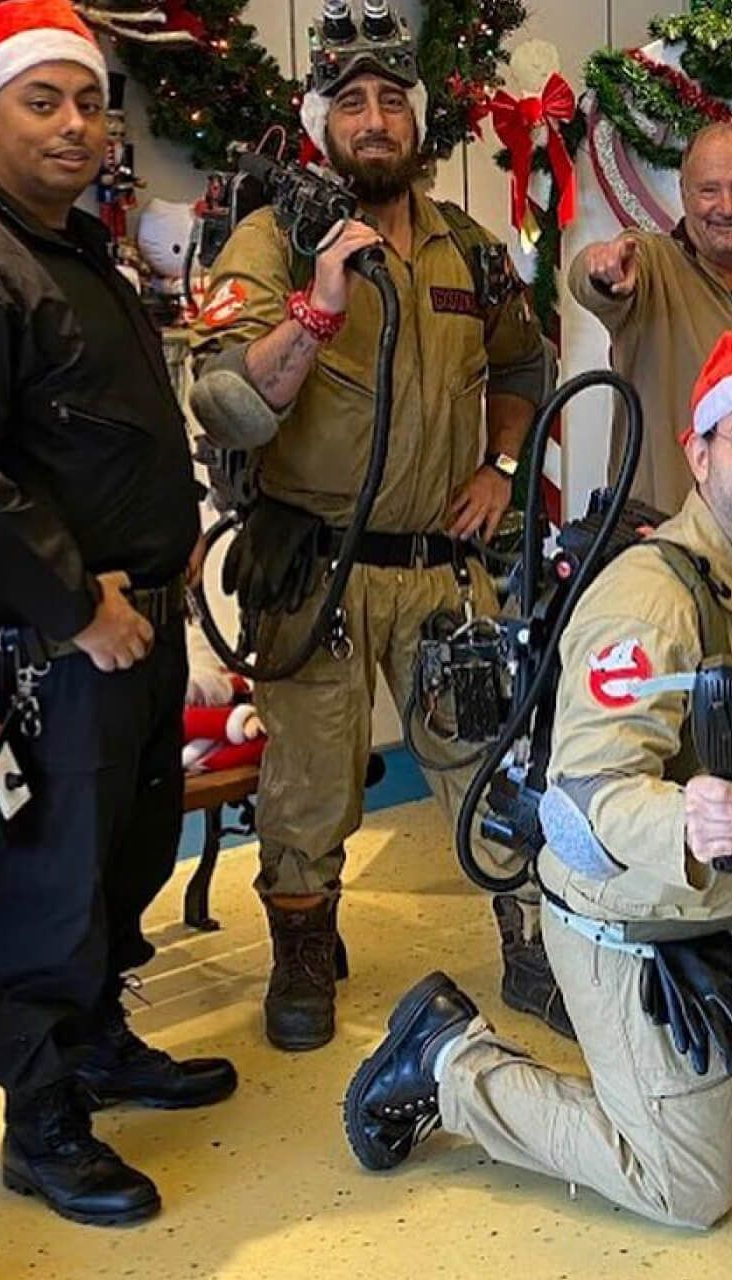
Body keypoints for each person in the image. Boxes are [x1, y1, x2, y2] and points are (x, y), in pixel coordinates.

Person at [339, 333, 732, 1227]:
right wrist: (683, 821)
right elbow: (583, 798)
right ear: (699, 452)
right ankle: (450, 1064)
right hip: (640, 914)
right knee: (689, 1191)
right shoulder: (650, 600)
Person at [0, 0, 237, 1229]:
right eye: (44, 101)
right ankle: (41, 1121)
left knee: (118, 859)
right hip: (52, 642)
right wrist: (77, 606)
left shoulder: (74, 247)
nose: (77, 123)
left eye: (89, 100)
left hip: (133, 625)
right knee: (42, 881)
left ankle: (96, 1045)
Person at [189, 1, 551, 1051]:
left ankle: (528, 942)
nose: (375, 117)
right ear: (320, 125)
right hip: (318, 569)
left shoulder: (468, 249)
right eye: (351, 101)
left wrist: (500, 462)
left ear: (418, 121)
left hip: (444, 570)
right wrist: (316, 303)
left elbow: (523, 362)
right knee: (306, 785)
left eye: (393, 98)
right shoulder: (266, 244)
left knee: (486, 764)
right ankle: (303, 948)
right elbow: (229, 399)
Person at [568, 122, 732, 517]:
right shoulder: (653, 266)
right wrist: (603, 269)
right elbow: (589, 281)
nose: (727, 207)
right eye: (708, 190)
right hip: (662, 546)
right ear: (684, 194)